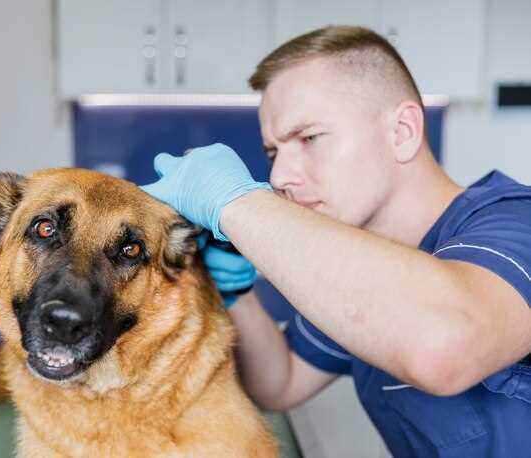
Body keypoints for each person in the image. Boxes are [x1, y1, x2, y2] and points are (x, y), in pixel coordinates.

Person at [141, 26, 531, 456]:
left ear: (402, 131)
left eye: (308, 138)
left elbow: (443, 347)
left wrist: (235, 203)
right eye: (273, 152)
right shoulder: (354, 265)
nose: (279, 177)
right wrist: (237, 296)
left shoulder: (515, 224)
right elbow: (281, 382)